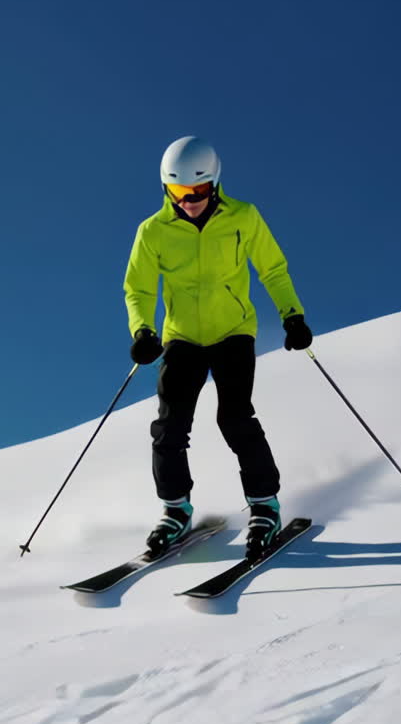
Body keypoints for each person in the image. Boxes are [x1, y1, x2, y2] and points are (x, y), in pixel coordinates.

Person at [123, 135, 312, 561]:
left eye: (199, 190)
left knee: (235, 417)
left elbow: (272, 268)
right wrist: (142, 332)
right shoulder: (152, 232)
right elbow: (138, 288)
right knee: (169, 428)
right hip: (182, 337)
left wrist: (292, 316)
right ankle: (176, 510)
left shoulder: (243, 217)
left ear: (215, 183)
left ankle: (264, 506)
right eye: (179, 191)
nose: (189, 201)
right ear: (166, 188)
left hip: (233, 332)